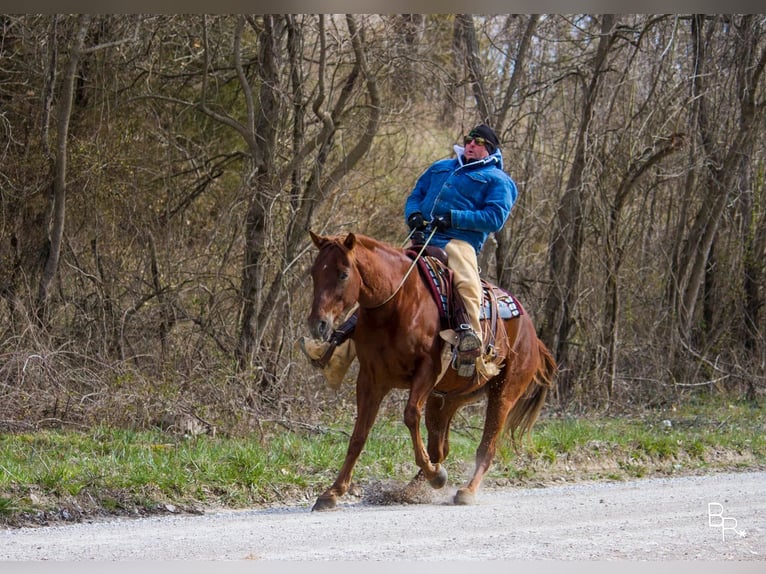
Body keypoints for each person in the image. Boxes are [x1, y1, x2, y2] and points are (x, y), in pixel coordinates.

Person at [300, 124, 516, 382]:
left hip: (459, 241)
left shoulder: (498, 180)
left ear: (489, 149)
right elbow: (417, 194)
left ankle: (472, 342)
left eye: (478, 142)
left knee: (466, 282)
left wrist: (454, 218)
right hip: (422, 238)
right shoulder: (441, 167)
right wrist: (413, 214)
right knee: (381, 287)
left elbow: (494, 218)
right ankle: (333, 354)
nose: (471, 144)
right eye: (469, 139)